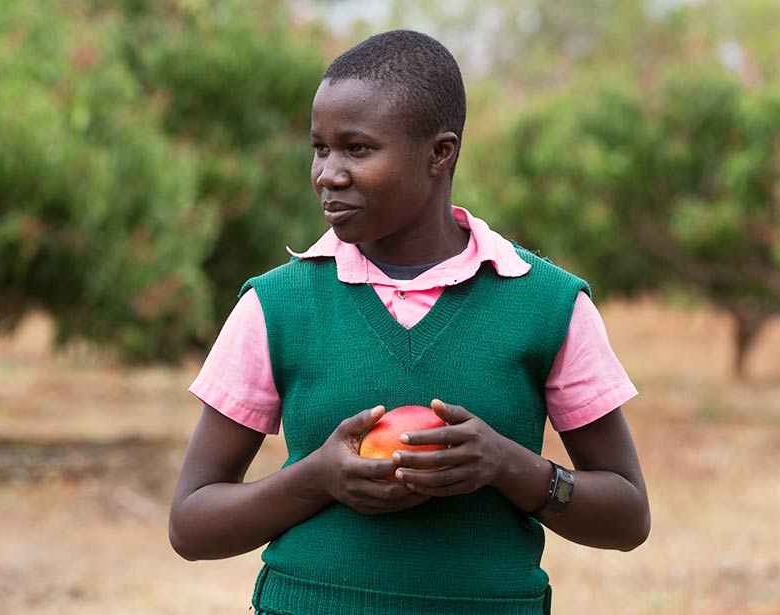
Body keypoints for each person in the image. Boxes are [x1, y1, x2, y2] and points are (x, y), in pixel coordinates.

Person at [169, 29, 650, 614]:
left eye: (358, 149)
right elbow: (191, 525)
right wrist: (318, 477)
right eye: (320, 148)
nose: (328, 173)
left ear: (439, 153)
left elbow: (627, 516)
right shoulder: (276, 305)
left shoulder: (546, 305)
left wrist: (507, 466)